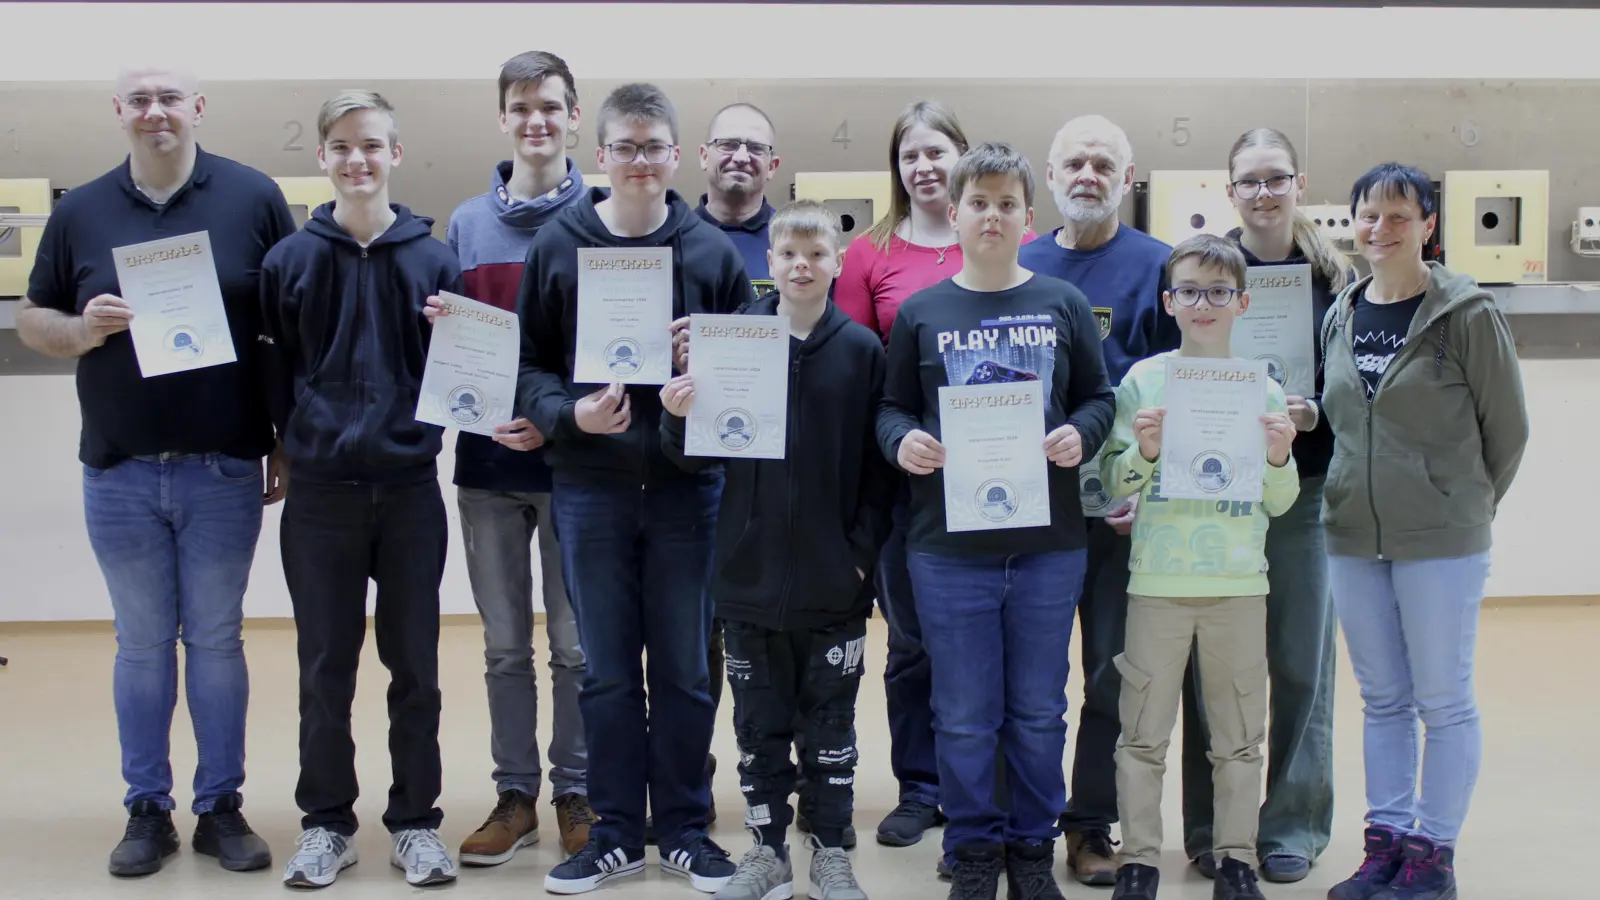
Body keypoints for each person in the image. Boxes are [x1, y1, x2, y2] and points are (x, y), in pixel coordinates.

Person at [15, 64, 291, 878]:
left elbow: (287, 323)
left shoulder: (253, 197)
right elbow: (33, 318)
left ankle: (220, 808)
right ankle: (146, 810)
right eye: (139, 99)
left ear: (198, 107)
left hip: (226, 467)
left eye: (170, 97)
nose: (156, 111)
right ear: (118, 114)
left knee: (214, 642)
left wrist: (285, 441)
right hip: (119, 471)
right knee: (140, 647)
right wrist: (82, 329)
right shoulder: (79, 210)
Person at [515, 82, 754, 895]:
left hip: (690, 494)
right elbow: (529, 370)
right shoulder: (557, 245)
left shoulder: (712, 254)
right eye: (626, 147)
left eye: (655, 147)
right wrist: (572, 415)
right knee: (606, 671)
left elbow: (745, 397)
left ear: (675, 156)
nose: (641, 162)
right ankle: (614, 832)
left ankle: (686, 829)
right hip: (591, 492)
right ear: (601, 156)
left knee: (687, 670)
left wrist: (705, 374)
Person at [876, 142, 1116, 900]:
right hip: (948, 550)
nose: (991, 214)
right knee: (965, 712)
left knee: (1040, 711)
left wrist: (1084, 431)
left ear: (1027, 217)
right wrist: (901, 440)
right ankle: (975, 850)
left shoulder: (1061, 303)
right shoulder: (921, 312)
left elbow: (1097, 397)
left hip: (1048, 548)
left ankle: (1030, 850)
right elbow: (889, 409)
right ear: (955, 212)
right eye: (978, 202)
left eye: (1006, 203)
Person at [659, 199, 894, 900]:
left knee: (831, 732)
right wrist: (675, 420)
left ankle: (829, 850)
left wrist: (860, 557)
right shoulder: (732, 342)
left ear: (837, 262)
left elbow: (878, 476)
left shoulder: (861, 353)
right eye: (788, 253)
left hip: (834, 586)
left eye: (817, 253)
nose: (802, 265)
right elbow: (692, 459)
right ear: (768, 263)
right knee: (758, 730)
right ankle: (766, 851)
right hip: (747, 583)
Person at [259, 89, 463, 889]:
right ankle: (327, 825)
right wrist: (290, 448)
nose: (357, 159)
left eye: (372, 145)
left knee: (415, 666)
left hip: (410, 490)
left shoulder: (435, 257)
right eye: (342, 146)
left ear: (395, 155)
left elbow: (457, 375)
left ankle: (415, 823)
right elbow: (275, 377)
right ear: (323, 157)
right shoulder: (289, 260)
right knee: (324, 669)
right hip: (321, 499)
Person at [1319, 163, 1529, 900]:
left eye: (1398, 216)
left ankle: (1432, 855)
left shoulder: (1466, 314)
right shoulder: (1341, 311)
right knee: (1383, 700)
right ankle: (1386, 843)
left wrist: (1459, 502)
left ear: (1428, 226)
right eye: (1367, 215)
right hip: (1352, 534)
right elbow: (1345, 421)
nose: (1379, 229)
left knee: (1443, 699)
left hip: (1442, 537)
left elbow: (1508, 430)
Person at [1097, 234, 1300, 900]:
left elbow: (1283, 498)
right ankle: (1140, 859)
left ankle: (1236, 857)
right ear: (1169, 301)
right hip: (1158, 584)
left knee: (1239, 735)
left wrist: (1276, 457)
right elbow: (1113, 481)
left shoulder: (1261, 386)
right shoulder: (1144, 382)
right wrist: (1147, 452)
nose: (1203, 303)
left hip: (1239, 585)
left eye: (1218, 291)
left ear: (1242, 302)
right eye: (1189, 290)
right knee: (1142, 733)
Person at [1175, 127, 1350, 885]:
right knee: (1210, 669)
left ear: (1298, 181)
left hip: (1304, 492)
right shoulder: (1204, 268)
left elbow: (1359, 388)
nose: (1263, 192)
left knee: (1300, 664)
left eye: (1275, 178)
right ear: (1229, 189)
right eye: (1248, 181)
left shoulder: (1334, 275)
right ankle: (1215, 825)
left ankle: (1291, 824)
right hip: (1214, 499)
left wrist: (1317, 414)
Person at [1016, 114, 1180, 887]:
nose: (1087, 174)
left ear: (1128, 175)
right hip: (1029, 509)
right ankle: (1019, 826)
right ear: (1049, 175)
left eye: (1102, 163)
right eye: (1073, 161)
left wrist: (1147, 490)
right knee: (1030, 679)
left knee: (1113, 671)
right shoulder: (1019, 262)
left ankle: (1089, 826)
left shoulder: (1157, 267)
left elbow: (1176, 387)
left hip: (1122, 514)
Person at [443, 49, 595, 867]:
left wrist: (554, 421)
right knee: (505, 646)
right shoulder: (466, 223)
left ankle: (576, 790)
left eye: (552, 106)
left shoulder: (602, 218)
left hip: (576, 470)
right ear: (504, 118)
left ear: (575, 116)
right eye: (522, 107)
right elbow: (465, 345)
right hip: (487, 471)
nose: (537, 120)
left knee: (576, 647)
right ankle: (515, 797)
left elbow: (612, 351)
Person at [695, 102, 781, 295]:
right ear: (704, 156)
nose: (741, 157)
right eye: (728, 145)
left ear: (772, 166)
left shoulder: (794, 241)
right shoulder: (675, 240)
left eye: (756, 148)